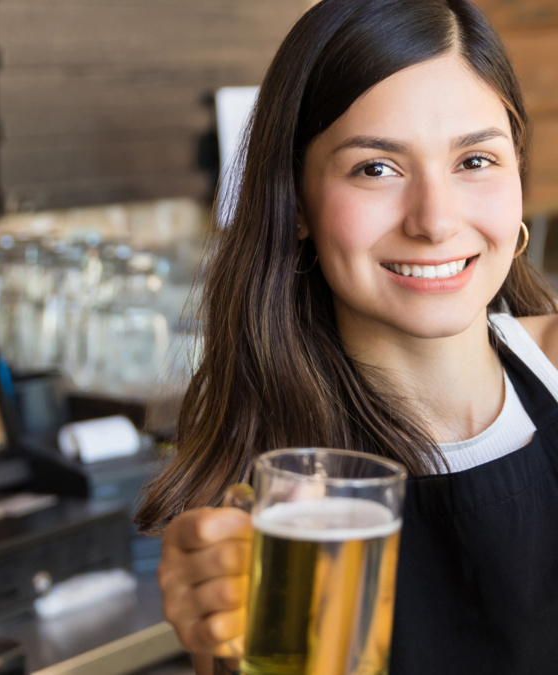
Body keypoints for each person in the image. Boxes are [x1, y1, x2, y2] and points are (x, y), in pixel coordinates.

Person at [134, 0, 558, 673]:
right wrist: (221, 655)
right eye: (376, 168)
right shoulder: (263, 494)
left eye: (475, 160)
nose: (435, 220)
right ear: (296, 203)